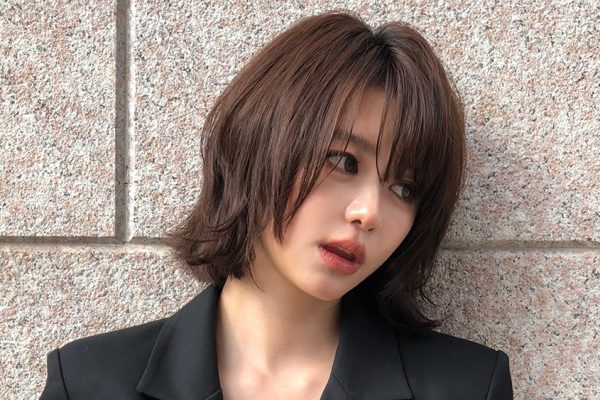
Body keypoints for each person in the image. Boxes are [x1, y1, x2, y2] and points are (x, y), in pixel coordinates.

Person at [40, 11, 513, 400]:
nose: (369, 212)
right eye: (343, 160)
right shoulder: (88, 383)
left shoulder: (467, 386)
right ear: (260, 143)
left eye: (405, 189)